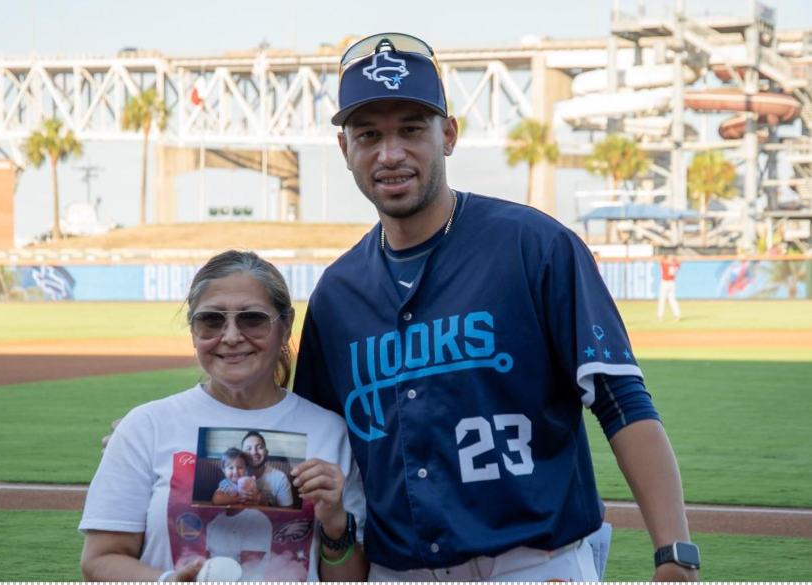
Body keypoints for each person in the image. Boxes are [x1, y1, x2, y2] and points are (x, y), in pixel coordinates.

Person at [292, 33, 699, 581]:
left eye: (412, 129)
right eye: (369, 135)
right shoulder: (337, 295)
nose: (390, 154)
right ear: (346, 151)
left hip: (536, 563)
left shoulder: (535, 246)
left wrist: (674, 551)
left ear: (449, 135)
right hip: (400, 572)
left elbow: (619, 399)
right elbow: (320, 444)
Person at [81, 250, 368, 582]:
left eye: (253, 318)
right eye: (211, 320)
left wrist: (335, 522)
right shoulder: (145, 427)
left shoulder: (330, 432)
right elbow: (99, 560)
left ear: (285, 324)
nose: (231, 336)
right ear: (193, 329)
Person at [241, 430, 294, 507]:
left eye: (259, 447)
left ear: (266, 452)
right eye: (248, 448)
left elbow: (289, 514)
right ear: (241, 454)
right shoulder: (235, 474)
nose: (254, 452)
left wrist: (265, 503)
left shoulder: (280, 478)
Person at [658, 254, 682, 322]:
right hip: (672, 283)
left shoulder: (665, 264)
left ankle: (660, 316)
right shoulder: (675, 265)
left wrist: (668, 258)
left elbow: (661, 259)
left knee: (662, 300)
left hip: (665, 283)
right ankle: (677, 315)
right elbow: (679, 262)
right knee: (672, 300)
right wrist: (674, 258)